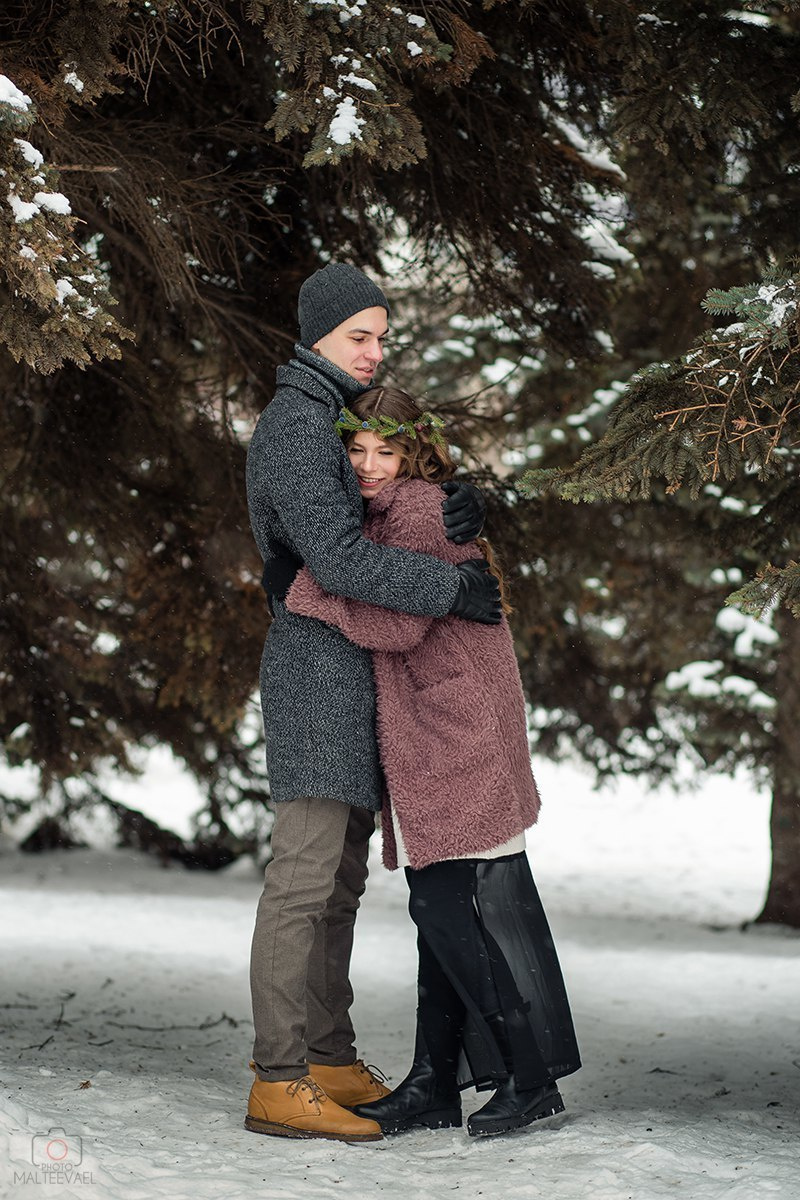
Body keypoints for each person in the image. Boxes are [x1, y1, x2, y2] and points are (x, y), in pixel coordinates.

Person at [244, 264, 501, 1143]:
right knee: (304, 881)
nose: (374, 350)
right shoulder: (295, 426)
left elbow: (387, 498)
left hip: (355, 672)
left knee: (342, 884)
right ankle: (279, 1076)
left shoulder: (337, 420)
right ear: (316, 333)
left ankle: (327, 1055)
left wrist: (456, 502)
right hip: (317, 674)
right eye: (361, 335)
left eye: (382, 336)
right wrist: (450, 591)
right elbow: (345, 562)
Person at [285, 386, 581, 1138]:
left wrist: (307, 592)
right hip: (437, 733)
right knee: (438, 912)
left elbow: (397, 621)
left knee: (449, 911)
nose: (368, 467)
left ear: (414, 452)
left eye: (386, 451)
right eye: (356, 450)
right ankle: (433, 1083)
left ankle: (530, 1075)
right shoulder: (388, 513)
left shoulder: (417, 513)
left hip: (457, 733)